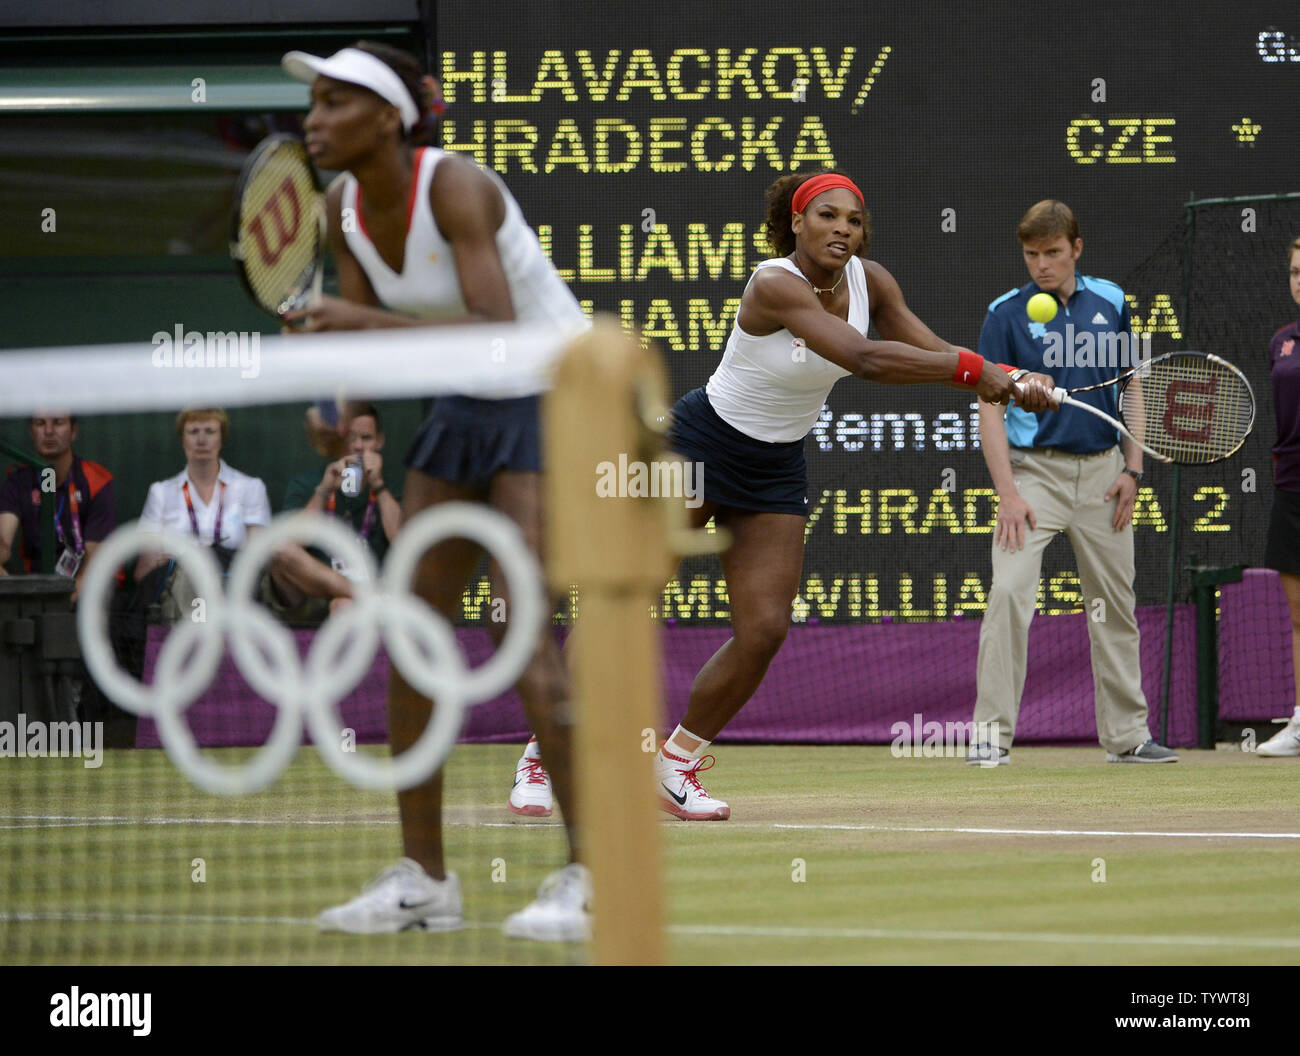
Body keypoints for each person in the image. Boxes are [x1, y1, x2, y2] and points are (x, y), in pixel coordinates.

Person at [279, 42, 588, 939]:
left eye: (336, 102)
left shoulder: (458, 186)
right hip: (464, 400)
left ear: (387, 117)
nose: (315, 119)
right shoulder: (341, 208)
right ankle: (424, 880)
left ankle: (588, 875)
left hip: (546, 388)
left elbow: (494, 329)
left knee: (517, 626)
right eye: (314, 104)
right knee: (416, 632)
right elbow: (363, 345)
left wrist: (357, 325)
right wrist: (341, 414)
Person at [660, 170, 1055, 820]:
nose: (842, 227)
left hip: (774, 465)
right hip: (700, 445)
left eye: (853, 218)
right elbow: (867, 358)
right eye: (826, 215)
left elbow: (924, 344)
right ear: (795, 222)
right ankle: (544, 754)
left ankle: (675, 762)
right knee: (628, 596)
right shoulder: (773, 283)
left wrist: (1006, 378)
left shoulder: (873, 282)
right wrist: (979, 373)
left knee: (763, 630)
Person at [966, 200, 1177, 766]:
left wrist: (1134, 469)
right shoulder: (1004, 314)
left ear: (1076, 249)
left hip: (1105, 474)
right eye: (1032, 255)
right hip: (1034, 476)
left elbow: (1132, 388)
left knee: (1114, 603)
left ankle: (1128, 737)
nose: (1042, 265)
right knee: (1009, 594)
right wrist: (1007, 493)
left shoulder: (1112, 301)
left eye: (1053, 253)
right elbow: (989, 411)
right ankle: (990, 738)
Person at [265, 404, 401, 622]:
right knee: (280, 548)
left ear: (379, 441)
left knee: (344, 607)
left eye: (366, 438)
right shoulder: (308, 483)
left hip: (373, 583)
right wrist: (323, 490)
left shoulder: (391, 487)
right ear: (338, 442)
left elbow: (404, 541)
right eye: (350, 438)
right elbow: (288, 546)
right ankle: (365, 596)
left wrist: (378, 485)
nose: (357, 446)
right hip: (315, 591)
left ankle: (361, 596)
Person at [134, 408, 271, 621]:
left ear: (221, 438)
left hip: (234, 586)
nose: (201, 440)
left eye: (209, 431)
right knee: (190, 575)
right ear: (182, 439)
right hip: (178, 591)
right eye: (193, 431)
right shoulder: (161, 492)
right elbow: (144, 571)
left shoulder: (250, 487)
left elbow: (258, 560)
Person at [1255, 236, 1300, 757]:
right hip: (1291, 490)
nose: (1299, 280)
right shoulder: (1280, 342)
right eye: (1293, 271)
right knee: (1299, 616)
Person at [0, 414, 115, 600]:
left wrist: (59, 604)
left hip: (85, 593)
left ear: (74, 431)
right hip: (35, 591)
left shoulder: (96, 480)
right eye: (40, 423)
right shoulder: (18, 481)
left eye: (58, 422)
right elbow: (3, 543)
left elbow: (96, 561)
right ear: (31, 431)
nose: (49, 431)